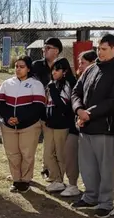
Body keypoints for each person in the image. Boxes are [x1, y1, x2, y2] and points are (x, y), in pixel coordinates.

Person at [70, 34, 114, 218]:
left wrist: (89, 114)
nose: (99, 53)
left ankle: (106, 203)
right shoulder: (91, 69)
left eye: (104, 49)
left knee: (105, 169)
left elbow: (113, 100)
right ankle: (90, 197)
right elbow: (76, 91)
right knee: (87, 166)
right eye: (98, 49)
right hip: (85, 126)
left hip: (106, 128)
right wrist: (79, 109)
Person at [0, 55, 47, 193]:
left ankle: (25, 180)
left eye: (22, 67)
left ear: (29, 68)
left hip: (29, 126)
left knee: (27, 154)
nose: (18, 69)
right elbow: (0, 104)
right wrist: (8, 117)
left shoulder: (36, 84)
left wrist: (20, 118)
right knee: (12, 154)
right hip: (9, 126)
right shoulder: (7, 83)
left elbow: (38, 106)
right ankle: (16, 179)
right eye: (16, 66)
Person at [60, 50, 98, 198]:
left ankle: (94, 190)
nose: (80, 66)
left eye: (83, 63)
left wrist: (85, 115)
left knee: (90, 162)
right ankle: (72, 184)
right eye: (79, 63)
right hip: (74, 127)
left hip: (92, 126)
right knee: (69, 154)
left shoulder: (97, 80)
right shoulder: (76, 80)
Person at [42, 57, 76, 194]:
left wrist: (53, 89)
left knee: (61, 154)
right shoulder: (52, 84)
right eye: (53, 70)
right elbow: (47, 104)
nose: (54, 72)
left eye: (57, 70)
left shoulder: (67, 84)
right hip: (50, 124)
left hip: (62, 125)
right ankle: (55, 178)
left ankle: (61, 180)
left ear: (65, 71)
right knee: (48, 153)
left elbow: (62, 105)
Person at [32, 37, 63, 179]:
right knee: (29, 145)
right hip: (35, 110)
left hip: (52, 112)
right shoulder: (36, 65)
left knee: (50, 145)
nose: (44, 50)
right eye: (44, 47)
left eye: (48, 47)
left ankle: (47, 170)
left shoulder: (63, 66)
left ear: (56, 51)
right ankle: (25, 174)